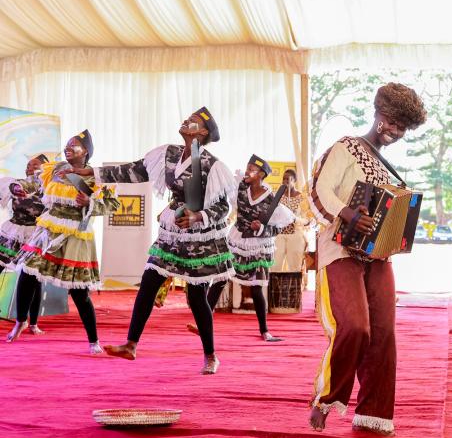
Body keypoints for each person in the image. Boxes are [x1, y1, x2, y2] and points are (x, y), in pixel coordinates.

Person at [307, 82, 427, 435]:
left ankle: (374, 413)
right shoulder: (345, 147)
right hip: (339, 250)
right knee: (356, 327)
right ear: (378, 114)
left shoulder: (390, 169)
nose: (395, 132)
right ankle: (326, 400)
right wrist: (346, 213)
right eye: (392, 122)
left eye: (402, 128)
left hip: (378, 258)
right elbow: (317, 192)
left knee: (384, 333)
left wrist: (396, 234)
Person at [78, 108, 235, 375]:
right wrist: (91, 172)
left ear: (204, 132)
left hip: (200, 237)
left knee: (197, 297)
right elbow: (134, 171)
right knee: (150, 280)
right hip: (172, 231)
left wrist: (198, 216)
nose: (186, 121)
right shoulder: (168, 154)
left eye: (193, 121)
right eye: (186, 118)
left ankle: (210, 355)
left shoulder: (214, 166)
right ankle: (131, 344)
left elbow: (223, 207)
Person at [9, 132, 119, 352]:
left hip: (75, 234)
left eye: (74, 145)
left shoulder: (94, 178)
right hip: (48, 230)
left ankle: (93, 341)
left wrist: (89, 202)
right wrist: (18, 187)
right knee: (28, 271)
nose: (68, 148)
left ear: (86, 151)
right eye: (67, 144)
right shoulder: (56, 169)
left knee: (78, 291)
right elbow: (33, 183)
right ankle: (21, 321)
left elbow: (113, 204)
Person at [187, 154, 294, 342]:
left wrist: (261, 228)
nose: (247, 171)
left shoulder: (271, 200)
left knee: (256, 287)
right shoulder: (239, 188)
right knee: (221, 278)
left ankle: (265, 331)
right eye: (247, 167)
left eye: (252, 169)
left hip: (258, 245)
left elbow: (279, 227)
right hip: (237, 238)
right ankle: (203, 323)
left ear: (261, 174)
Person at [1, 154, 48, 340]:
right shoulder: (16, 184)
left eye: (35, 165)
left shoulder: (48, 189)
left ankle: (33, 323)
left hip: (34, 236)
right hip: (12, 232)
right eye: (28, 164)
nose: (30, 167)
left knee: (33, 280)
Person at [272, 168, 313, 273]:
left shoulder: (302, 198)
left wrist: (295, 219)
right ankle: (275, 289)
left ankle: (294, 289)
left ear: (295, 181)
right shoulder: (277, 196)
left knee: (295, 268)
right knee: (275, 266)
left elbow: (308, 219)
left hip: (295, 235)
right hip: (279, 235)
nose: (285, 182)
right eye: (283, 179)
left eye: (288, 179)